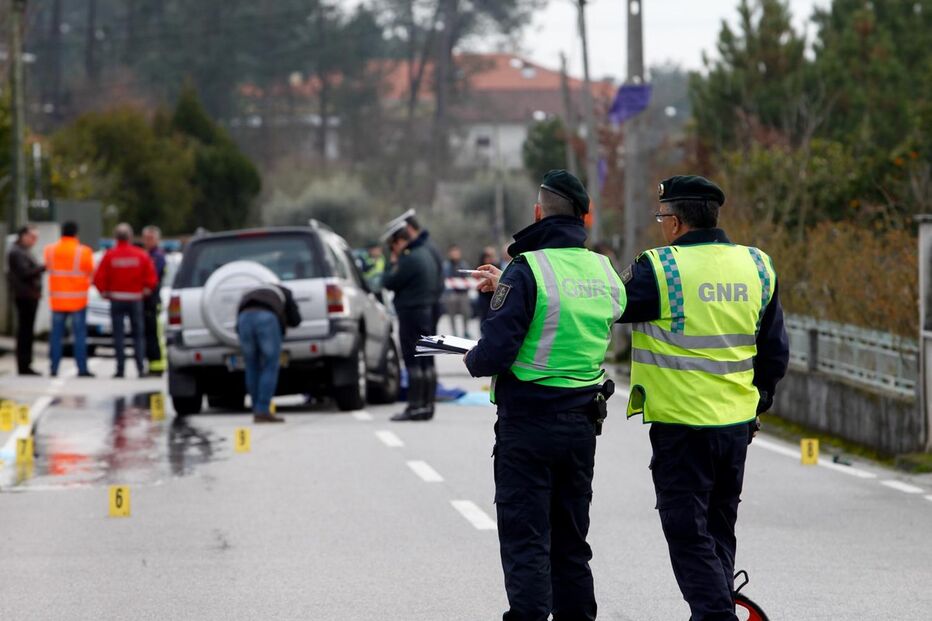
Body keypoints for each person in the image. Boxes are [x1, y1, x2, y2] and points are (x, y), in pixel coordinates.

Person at [619, 176, 789, 621]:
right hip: (736, 426)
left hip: (682, 426)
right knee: (719, 529)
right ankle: (714, 612)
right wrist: (758, 403)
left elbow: (604, 304)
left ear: (674, 222)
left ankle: (717, 616)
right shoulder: (757, 265)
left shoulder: (661, 268)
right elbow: (774, 350)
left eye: (661, 218)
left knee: (686, 531)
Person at [464, 169, 626, 621]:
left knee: (526, 540)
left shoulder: (527, 268)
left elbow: (494, 353)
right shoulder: (604, 271)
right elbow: (575, 308)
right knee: (572, 543)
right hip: (581, 427)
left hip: (528, 428)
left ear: (538, 213)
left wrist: (472, 358)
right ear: (585, 218)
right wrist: (509, 289)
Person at [381, 211, 442, 422]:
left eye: (393, 245)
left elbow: (388, 281)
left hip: (411, 313)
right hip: (425, 311)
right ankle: (426, 406)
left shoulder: (410, 258)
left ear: (399, 241)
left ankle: (415, 406)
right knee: (426, 360)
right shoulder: (426, 253)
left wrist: (392, 261)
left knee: (413, 360)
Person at [93, 223, 157, 378]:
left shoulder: (110, 255)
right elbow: (151, 277)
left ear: (116, 237)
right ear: (130, 237)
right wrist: (146, 289)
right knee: (138, 335)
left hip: (116, 299)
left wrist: (104, 292)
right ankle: (140, 368)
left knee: (118, 336)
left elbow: (98, 277)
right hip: (135, 299)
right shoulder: (140, 254)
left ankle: (120, 369)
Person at [236, 282, 302, 423]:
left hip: (244, 319)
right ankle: (263, 410)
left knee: (251, 366)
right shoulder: (284, 291)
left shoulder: (248, 292)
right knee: (270, 365)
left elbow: (238, 318)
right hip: (266, 319)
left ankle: (256, 409)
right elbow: (296, 319)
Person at [45, 221, 95, 378]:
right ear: (76, 233)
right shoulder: (84, 251)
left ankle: (54, 368)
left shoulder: (50, 250)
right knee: (79, 335)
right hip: (78, 301)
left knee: (56, 336)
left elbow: (48, 268)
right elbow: (90, 271)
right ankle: (82, 368)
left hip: (58, 300)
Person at [7, 225, 45, 375]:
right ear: (23, 236)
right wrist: (42, 268)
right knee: (25, 331)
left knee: (27, 331)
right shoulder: (17, 252)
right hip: (24, 296)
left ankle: (26, 363)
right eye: (32, 237)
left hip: (29, 295)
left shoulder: (23, 251)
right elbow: (24, 273)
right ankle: (24, 364)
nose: (34, 241)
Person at [141, 225, 167, 376]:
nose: (147, 241)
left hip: (152, 300)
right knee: (147, 334)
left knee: (154, 334)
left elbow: (153, 278)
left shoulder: (158, 256)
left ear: (157, 239)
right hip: (145, 300)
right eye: (146, 238)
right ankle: (151, 364)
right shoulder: (146, 254)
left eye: (150, 238)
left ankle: (157, 365)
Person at [442, 244, 472, 337]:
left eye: (456, 252)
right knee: (451, 314)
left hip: (463, 293)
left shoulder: (464, 264)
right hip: (451, 294)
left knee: (466, 312)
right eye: (453, 252)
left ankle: (466, 330)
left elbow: (468, 278)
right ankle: (454, 331)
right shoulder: (446, 266)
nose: (455, 254)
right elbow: (444, 279)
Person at [475, 246, 498, 323]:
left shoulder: (496, 267)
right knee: (483, 316)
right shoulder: (479, 267)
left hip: (493, 296)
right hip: (483, 296)